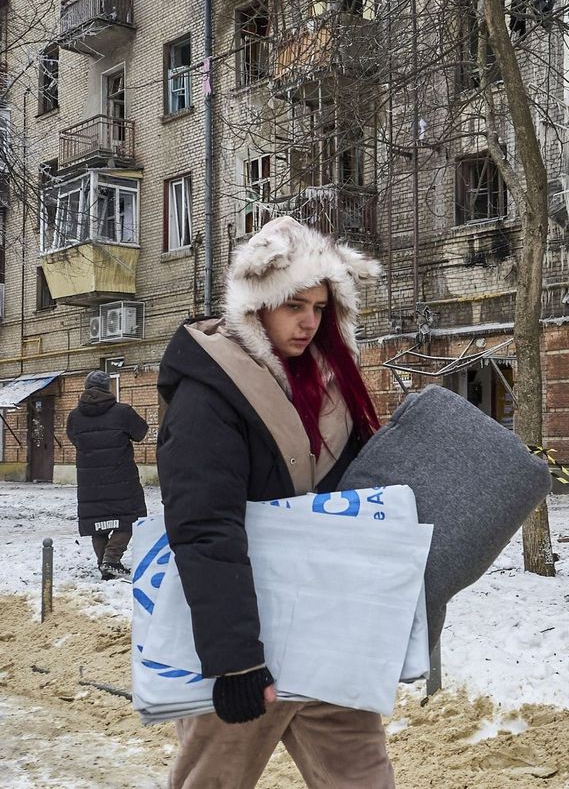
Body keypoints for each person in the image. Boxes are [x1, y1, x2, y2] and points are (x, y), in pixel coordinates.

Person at [156, 215, 391, 788]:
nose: (309, 322)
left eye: (319, 307)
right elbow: (204, 527)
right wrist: (234, 660)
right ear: (256, 305)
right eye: (294, 305)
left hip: (328, 637)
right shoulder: (211, 392)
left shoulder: (335, 389)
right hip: (247, 648)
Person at [66, 371, 149, 580]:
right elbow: (141, 432)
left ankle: (105, 563)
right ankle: (111, 560)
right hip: (121, 478)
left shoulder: (75, 416)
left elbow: (74, 439)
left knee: (98, 522)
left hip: (90, 481)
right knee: (128, 519)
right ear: (107, 388)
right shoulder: (123, 412)